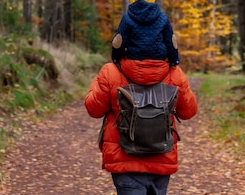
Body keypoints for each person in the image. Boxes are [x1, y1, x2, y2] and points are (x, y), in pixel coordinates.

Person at [85, 57, 198, 195]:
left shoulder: (111, 71)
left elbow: (94, 110)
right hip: (161, 157)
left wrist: (97, 82)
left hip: (124, 158)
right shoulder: (174, 73)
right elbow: (189, 112)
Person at [111, 0, 180, 66]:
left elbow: (118, 43)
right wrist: (174, 60)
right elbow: (171, 42)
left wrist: (116, 59)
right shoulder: (163, 18)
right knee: (180, 78)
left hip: (133, 67)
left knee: (107, 72)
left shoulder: (127, 18)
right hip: (159, 67)